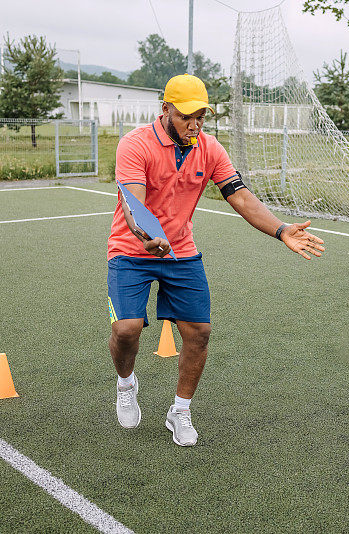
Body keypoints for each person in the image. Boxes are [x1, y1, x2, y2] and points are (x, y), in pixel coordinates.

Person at [107, 74, 325, 447]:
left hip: (181, 251)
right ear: (166, 110)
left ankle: (180, 411)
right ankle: (126, 383)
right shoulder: (134, 144)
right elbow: (134, 203)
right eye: (187, 116)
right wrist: (147, 236)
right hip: (132, 249)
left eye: (201, 117)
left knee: (199, 333)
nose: (194, 125)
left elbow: (239, 196)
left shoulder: (210, 149)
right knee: (126, 329)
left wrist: (281, 229)